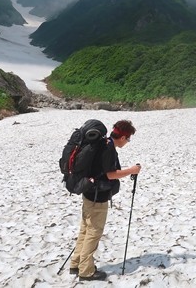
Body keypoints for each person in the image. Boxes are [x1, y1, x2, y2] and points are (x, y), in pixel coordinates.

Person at [69, 119, 141, 281]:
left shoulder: (102, 143)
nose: (127, 142)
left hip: (88, 192)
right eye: (128, 139)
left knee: (85, 230)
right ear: (122, 137)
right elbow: (111, 174)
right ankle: (86, 271)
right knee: (93, 233)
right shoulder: (109, 149)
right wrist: (132, 170)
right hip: (98, 197)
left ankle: (76, 264)